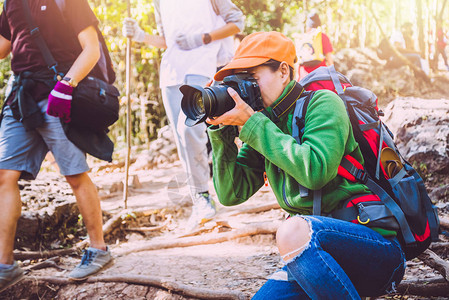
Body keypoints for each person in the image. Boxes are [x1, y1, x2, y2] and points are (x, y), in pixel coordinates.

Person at [206, 31, 406, 299]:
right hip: (315, 256)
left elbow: (315, 171)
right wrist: (222, 132)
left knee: (291, 230)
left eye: (252, 78)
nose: (246, 89)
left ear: (284, 72)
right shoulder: (265, 122)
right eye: (239, 81)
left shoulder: (322, 104)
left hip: (375, 248)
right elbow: (232, 193)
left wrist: (253, 124)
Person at [0, 0, 112, 292]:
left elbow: (91, 49)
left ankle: (98, 249)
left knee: (74, 174)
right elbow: (4, 45)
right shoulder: (12, 3)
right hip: (20, 98)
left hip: (58, 94)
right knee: (4, 176)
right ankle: (5, 266)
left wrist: (66, 86)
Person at [122, 0, 244, 230]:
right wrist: (140, 35)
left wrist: (203, 38)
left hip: (202, 67)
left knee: (187, 127)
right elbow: (167, 41)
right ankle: (201, 199)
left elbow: (237, 22)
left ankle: (208, 194)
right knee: (182, 140)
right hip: (170, 72)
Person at [296, 11, 333, 80]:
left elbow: (299, 61)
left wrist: (298, 78)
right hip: (320, 76)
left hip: (304, 76)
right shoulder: (322, 36)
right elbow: (329, 58)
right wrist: (334, 75)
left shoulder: (303, 37)